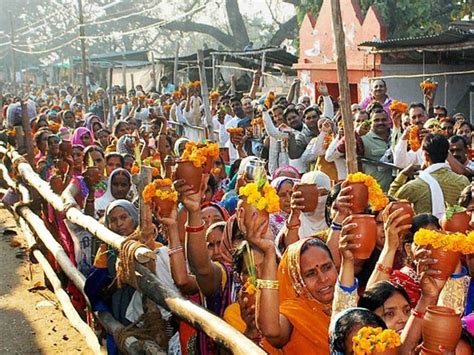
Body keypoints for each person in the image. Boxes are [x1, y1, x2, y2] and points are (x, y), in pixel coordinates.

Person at [390, 133, 470, 217]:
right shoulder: (462, 182)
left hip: (424, 230)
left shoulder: (414, 186)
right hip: (457, 229)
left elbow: (392, 202)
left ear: (425, 155)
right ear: (447, 155)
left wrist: (403, 175)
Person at [360, 107, 392, 192]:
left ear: (388, 121)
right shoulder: (363, 140)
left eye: (383, 120)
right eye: (376, 120)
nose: (380, 122)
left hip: (397, 193)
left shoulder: (397, 136)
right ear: (370, 122)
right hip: (374, 195)